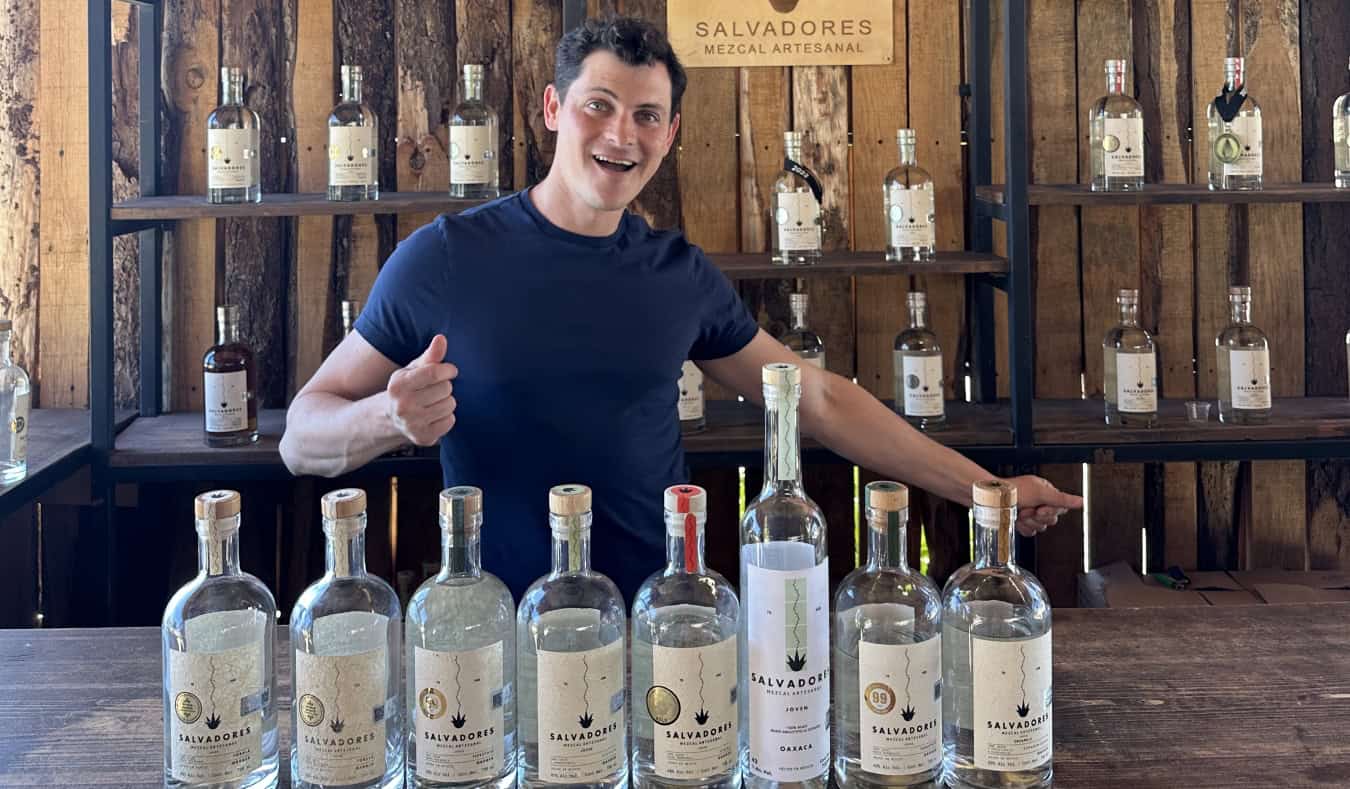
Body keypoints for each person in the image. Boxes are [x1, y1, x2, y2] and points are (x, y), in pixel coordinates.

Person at [279, 16, 1082, 600]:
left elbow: (824, 401)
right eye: (598, 105)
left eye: (647, 115)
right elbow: (300, 436)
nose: (621, 133)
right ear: (554, 110)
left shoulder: (677, 273)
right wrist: (387, 418)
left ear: (669, 134)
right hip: (497, 626)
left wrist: (988, 489)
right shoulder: (446, 256)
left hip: (657, 620)